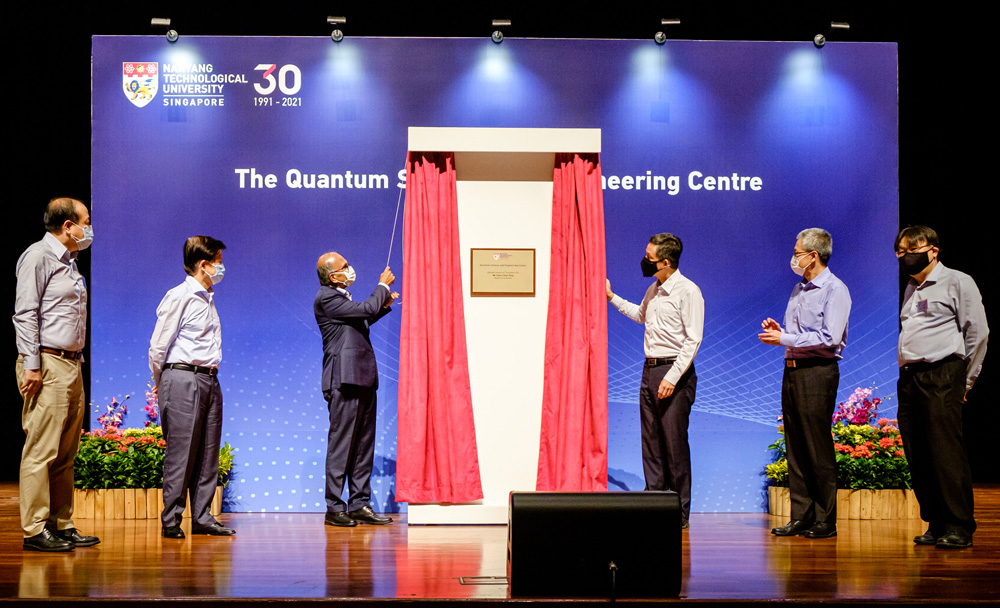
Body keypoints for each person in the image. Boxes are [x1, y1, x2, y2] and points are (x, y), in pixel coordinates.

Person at [13, 197, 100, 552]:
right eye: (86, 221)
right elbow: (25, 313)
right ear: (68, 226)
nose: (88, 229)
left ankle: (61, 523)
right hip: (46, 364)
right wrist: (31, 364)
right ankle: (35, 528)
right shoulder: (38, 256)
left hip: (71, 363)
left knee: (66, 453)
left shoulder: (70, 263)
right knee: (41, 449)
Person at [895, 225, 987, 549]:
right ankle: (935, 521)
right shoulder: (911, 288)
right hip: (910, 379)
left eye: (913, 249)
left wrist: (967, 379)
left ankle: (959, 526)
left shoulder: (957, 281)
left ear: (934, 250)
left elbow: (978, 332)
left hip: (942, 373)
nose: (908, 256)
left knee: (944, 451)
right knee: (918, 452)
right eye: (901, 251)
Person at [606, 233, 703, 528]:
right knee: (650, 441)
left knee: (673, 444)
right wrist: (612, 298)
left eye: (649, 257)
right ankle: (655, 501)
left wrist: (673, 377)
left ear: (665, 261)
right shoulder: (655, 288)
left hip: (675, 372)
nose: (645, 260)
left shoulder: (688, 291)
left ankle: (679, 511)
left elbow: (693, 339)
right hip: (649, 370)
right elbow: (640, 315)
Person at [759, 228, 850, 540]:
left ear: (813, 255)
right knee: (796, 445)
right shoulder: (799, 289)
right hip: (793, 370)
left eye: (797, 253)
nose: (793, 258)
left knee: (816, 445)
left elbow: (830, 338)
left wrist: (783, 337)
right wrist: (780, 329)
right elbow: (801, 333)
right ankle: (801, 515)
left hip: (817, 371)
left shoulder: (835, 289)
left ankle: (826, 519)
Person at [149, 236, 233, 539]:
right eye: (218, 261)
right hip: (182, 377)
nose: (222, 267)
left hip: (210, 378)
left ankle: (202, 516)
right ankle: (171, 519)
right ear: (203, 264)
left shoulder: (208, 298)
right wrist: (162, 384)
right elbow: (158, 347)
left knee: (208, 452)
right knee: (181, 452)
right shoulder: (179, 296)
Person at [315, 252, 398, 527]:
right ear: (333, 276)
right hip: (344, 378)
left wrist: (382, 306)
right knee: (342, 445)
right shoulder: (326, 298)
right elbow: (364, 311)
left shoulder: (343, 301)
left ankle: (359, 503)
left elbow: (362, 319)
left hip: (362, 377)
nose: (350, 269)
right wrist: (382, 287)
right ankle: (334, 507)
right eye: (344, 267)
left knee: (363, 446)